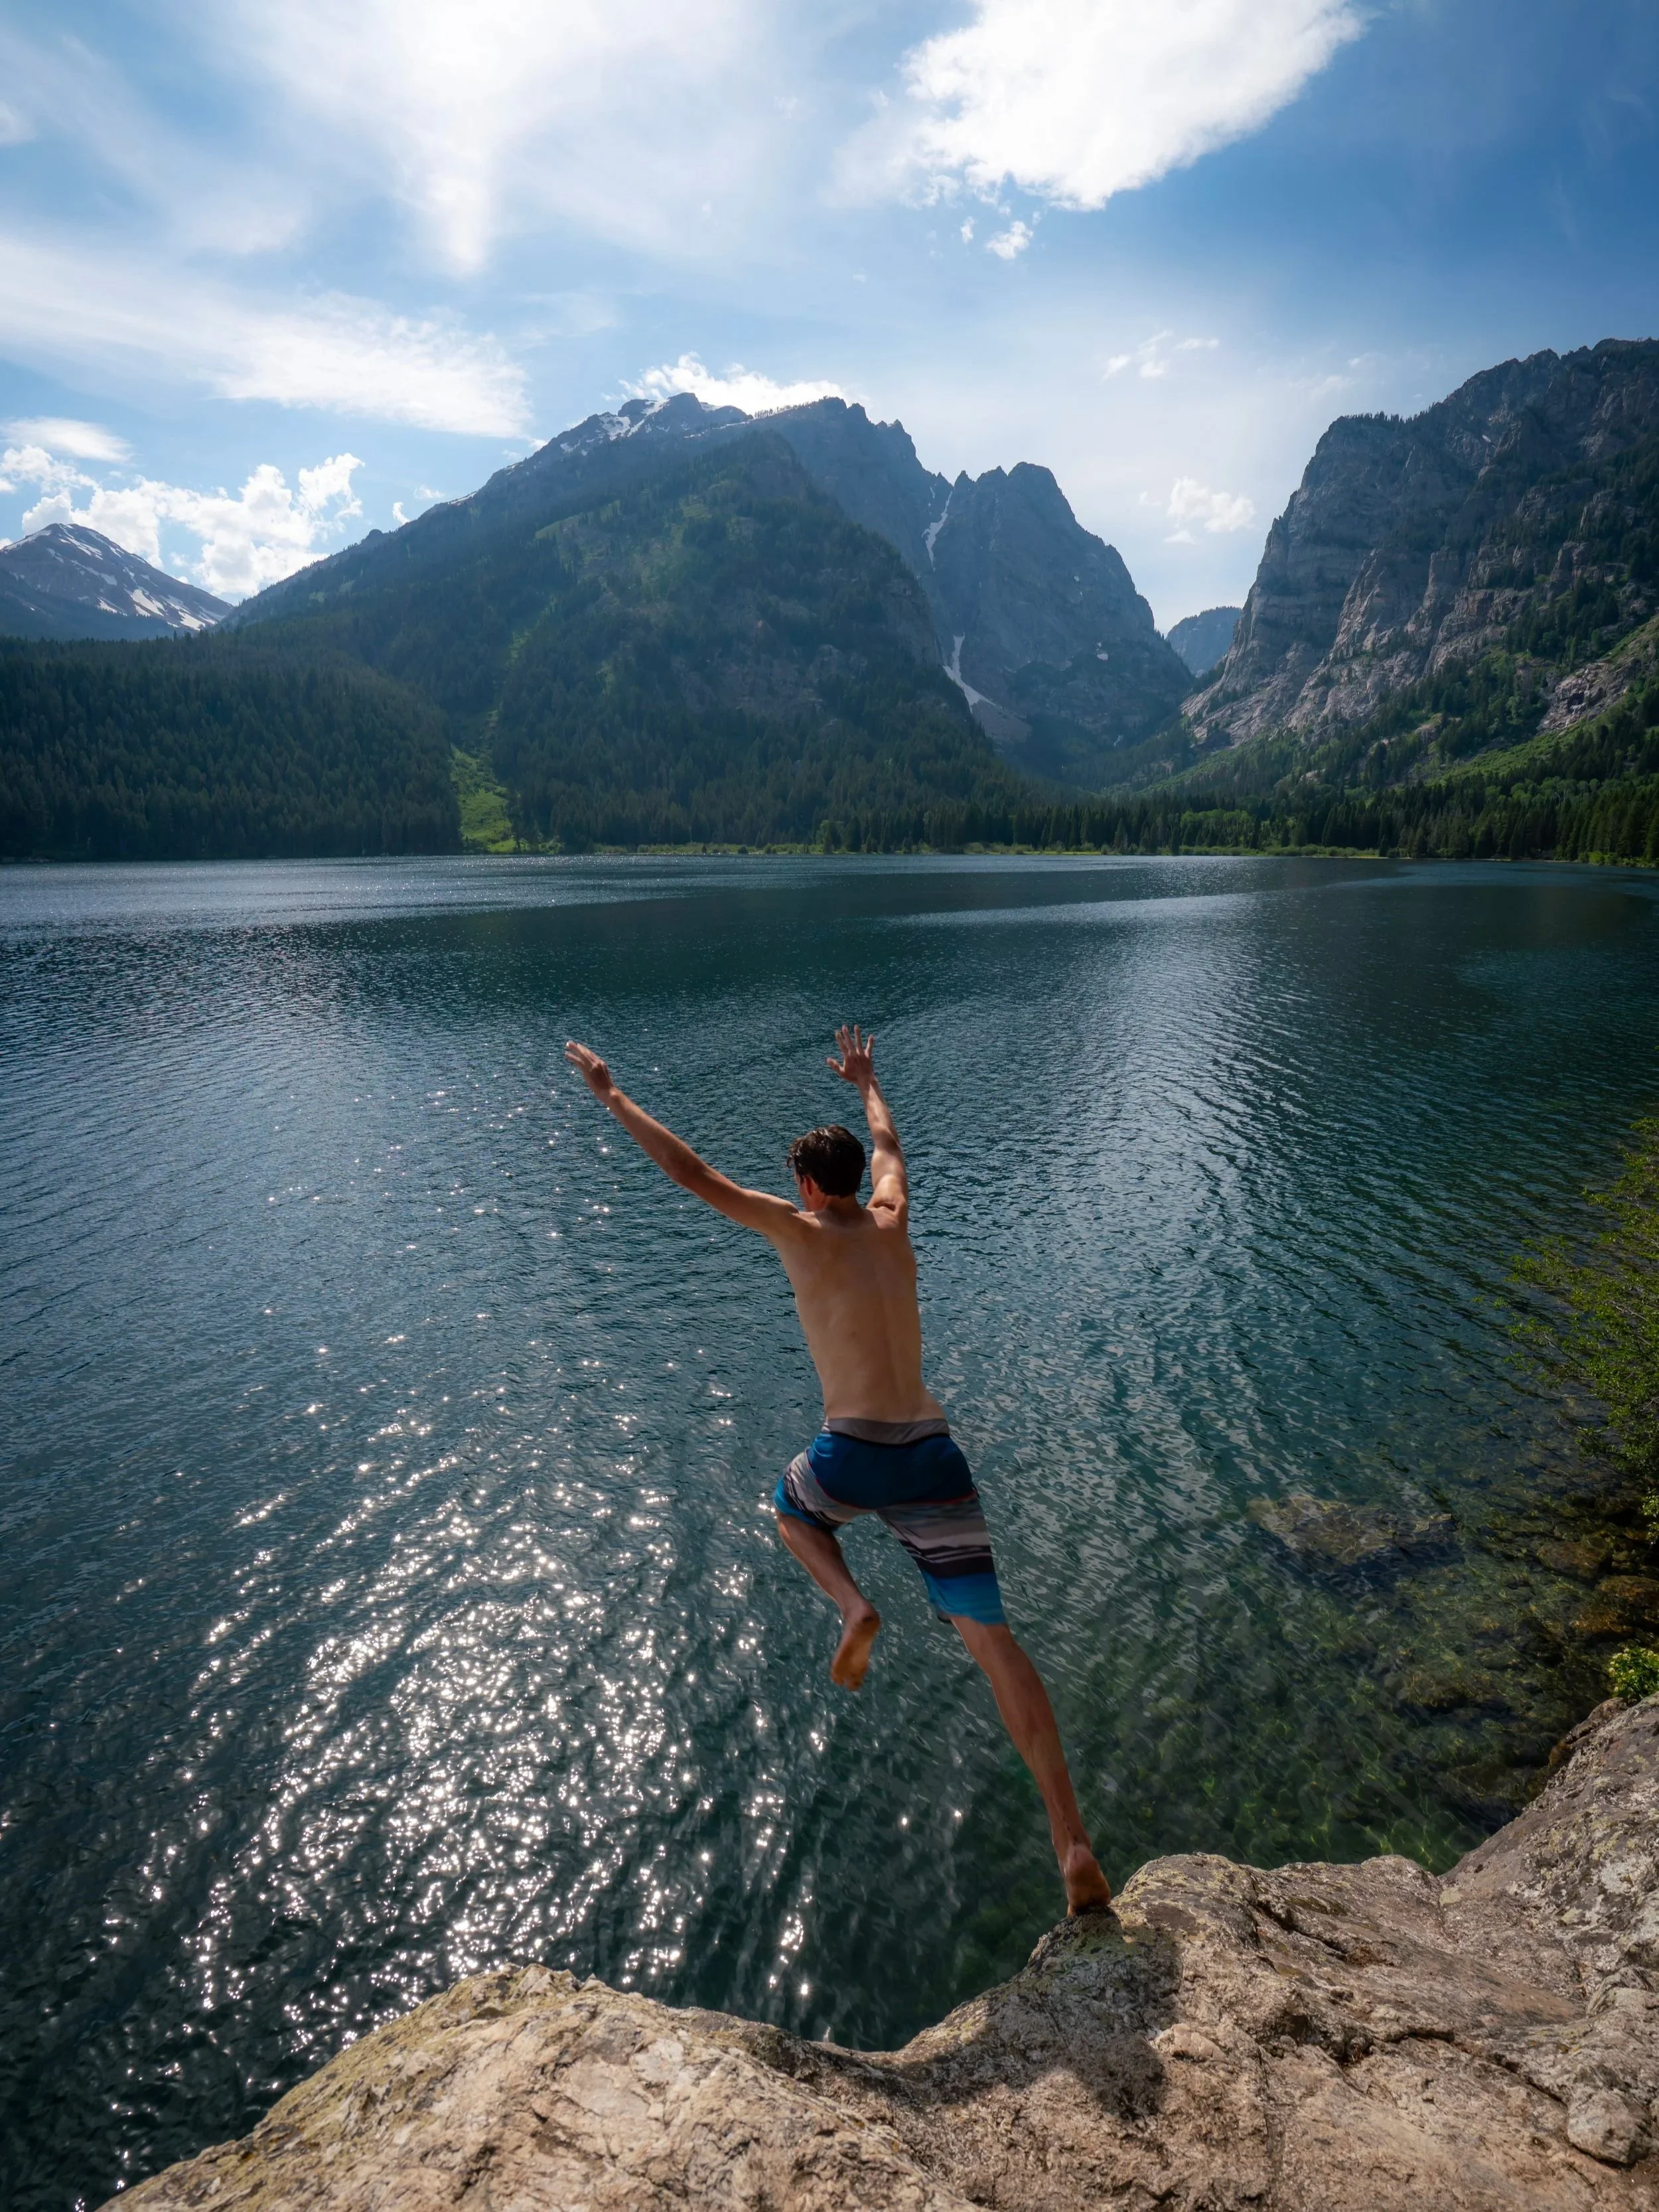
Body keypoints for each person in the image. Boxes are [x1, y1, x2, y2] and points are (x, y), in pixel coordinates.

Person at [563, 1025, 1112, 1915]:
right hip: (933, 1455)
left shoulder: (800, 1229)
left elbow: (691, 1174)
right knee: (997, 1649)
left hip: (851, 1453)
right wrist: (868, 1082)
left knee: (790, 1509)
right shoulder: (892, 1220)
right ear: (856, 1177)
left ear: (809, 1186)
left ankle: (853, 1602)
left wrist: (611, 1095)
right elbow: (893, 1145)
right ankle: (1073, 1842)